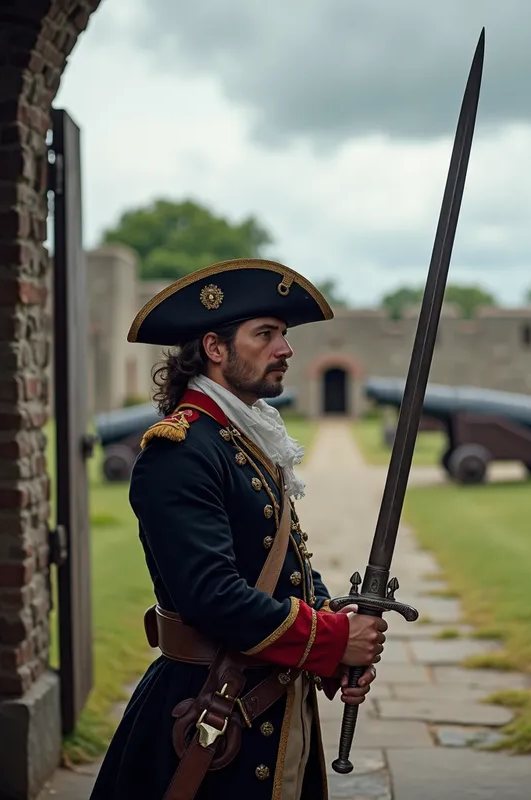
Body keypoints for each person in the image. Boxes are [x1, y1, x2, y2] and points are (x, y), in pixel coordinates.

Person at [89, 258, 388, 800]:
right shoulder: (180, 451)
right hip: (213, 706)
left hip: (270, 695)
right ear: (215, 348)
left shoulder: (241, 437)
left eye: (284, 334)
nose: (286, 349)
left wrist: (329, 626)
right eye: (266, 334)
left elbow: (285, 558)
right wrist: (333, 639)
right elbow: (212, 597)